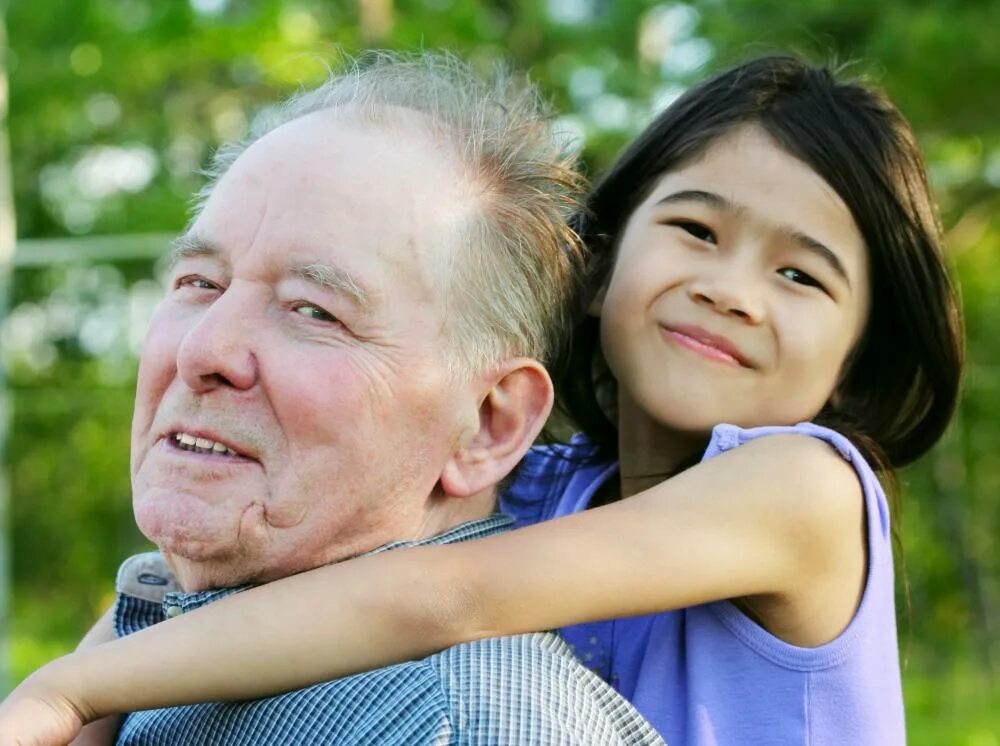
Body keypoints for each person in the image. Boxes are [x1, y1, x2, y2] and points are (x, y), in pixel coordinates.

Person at [0, 54, 962, 746]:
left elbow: (441, 596)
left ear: (852, 361)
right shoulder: (552, 482)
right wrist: (106, 682)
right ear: (603, 264)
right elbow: (189, 574)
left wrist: (76, 688)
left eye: (802, 277)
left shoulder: (806, 491)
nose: (731, 288)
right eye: (697, 231)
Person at [0, 52, 667, 746]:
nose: (203, 352)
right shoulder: (154, 639)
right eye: (200, 281)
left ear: (488, 426)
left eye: (314, 311)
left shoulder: (463, 724)